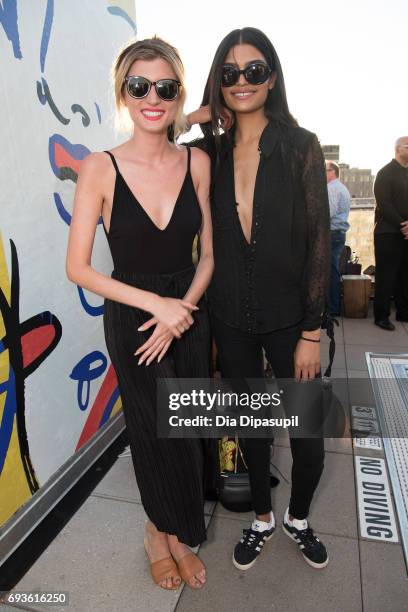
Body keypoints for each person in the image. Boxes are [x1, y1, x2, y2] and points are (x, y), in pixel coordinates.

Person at [66, 37, 213, 590]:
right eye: (139, 86)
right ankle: (163, 535)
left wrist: (184, 309)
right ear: (123, 94)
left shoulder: (197, 161)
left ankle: (171, 529)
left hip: (189, 313)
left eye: (166, 87)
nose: (153, 97)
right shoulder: (98, 168)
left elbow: (211, 255)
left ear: (178, 96)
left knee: (188, 430)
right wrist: (158, 306)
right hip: (135, 314)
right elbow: (78, 267)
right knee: (155, 432)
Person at [187, 27, 330, 570]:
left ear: (271, 76)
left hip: (292, 317)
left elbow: (320, 240)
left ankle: (297, 518)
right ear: (217, 83)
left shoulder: (300, 145)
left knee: (308, 433)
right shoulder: (209, 152)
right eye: (229, 72)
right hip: (230, 315)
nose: (242, 81)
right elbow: (159, 124)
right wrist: (203, 114)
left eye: (253, 70)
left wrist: (311, 330)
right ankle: (262, 519)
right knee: (251, 426)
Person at [373, 136, 408, 330]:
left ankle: (404, 312)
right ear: (397, 149)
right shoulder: (385, 173)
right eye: (407, 146)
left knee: (405, 275)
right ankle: (381, 316)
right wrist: (403, 224)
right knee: (386, 276)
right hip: (388, 233)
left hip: (406, 234)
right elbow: (384, 203)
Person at [325, 161, 351, 316]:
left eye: (325, 170)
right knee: (332, 269)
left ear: (332, 172)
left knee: (329, 271)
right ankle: (333, 307)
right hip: (338, 234)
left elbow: (327, 212)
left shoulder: (331, 188)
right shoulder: (342, 188)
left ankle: (332, 308)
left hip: (331, 234)